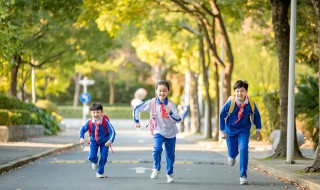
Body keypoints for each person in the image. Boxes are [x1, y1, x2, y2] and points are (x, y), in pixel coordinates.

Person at [133, 80, 181, 183]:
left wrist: (171, 113)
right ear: (156, 91)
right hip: (158, 131)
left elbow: (178, 119)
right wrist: (137, 121)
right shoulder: (152, 103)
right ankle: (156, 168)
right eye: (160, 91)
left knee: (170, 155)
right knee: (157, 149)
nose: (162, 93)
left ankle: (169, 173)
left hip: (170, 133)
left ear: (168, 91)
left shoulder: (171, 105)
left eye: (164, 91)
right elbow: (137, 109)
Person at [219, 80, 262, 185]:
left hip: (244, 130)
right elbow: (221, 115)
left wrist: (258, 131)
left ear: (246, 92)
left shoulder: (250, 104)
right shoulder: (231, 103)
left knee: (243, 149)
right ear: (234, 92)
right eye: (237, 91)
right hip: (231, 130)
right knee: (233, 152)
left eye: (242, 91)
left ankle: (243, 175)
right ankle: (232, 156)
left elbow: (257, 116)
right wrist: (222, 131)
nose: (239, 93)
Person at [79, 103, 116, 178]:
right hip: (94, 141)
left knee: (104, 157)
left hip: (105, 142)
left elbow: (112, 132)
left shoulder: (105, 122)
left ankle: (100, 172)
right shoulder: (89, 122)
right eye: (94, 112)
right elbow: (82, 129)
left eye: (98, 112)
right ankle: (95, 161)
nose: (96, 114)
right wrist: (81, 138)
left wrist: (110, 141)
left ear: (102, 112)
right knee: (91, 157)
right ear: (91, 113)